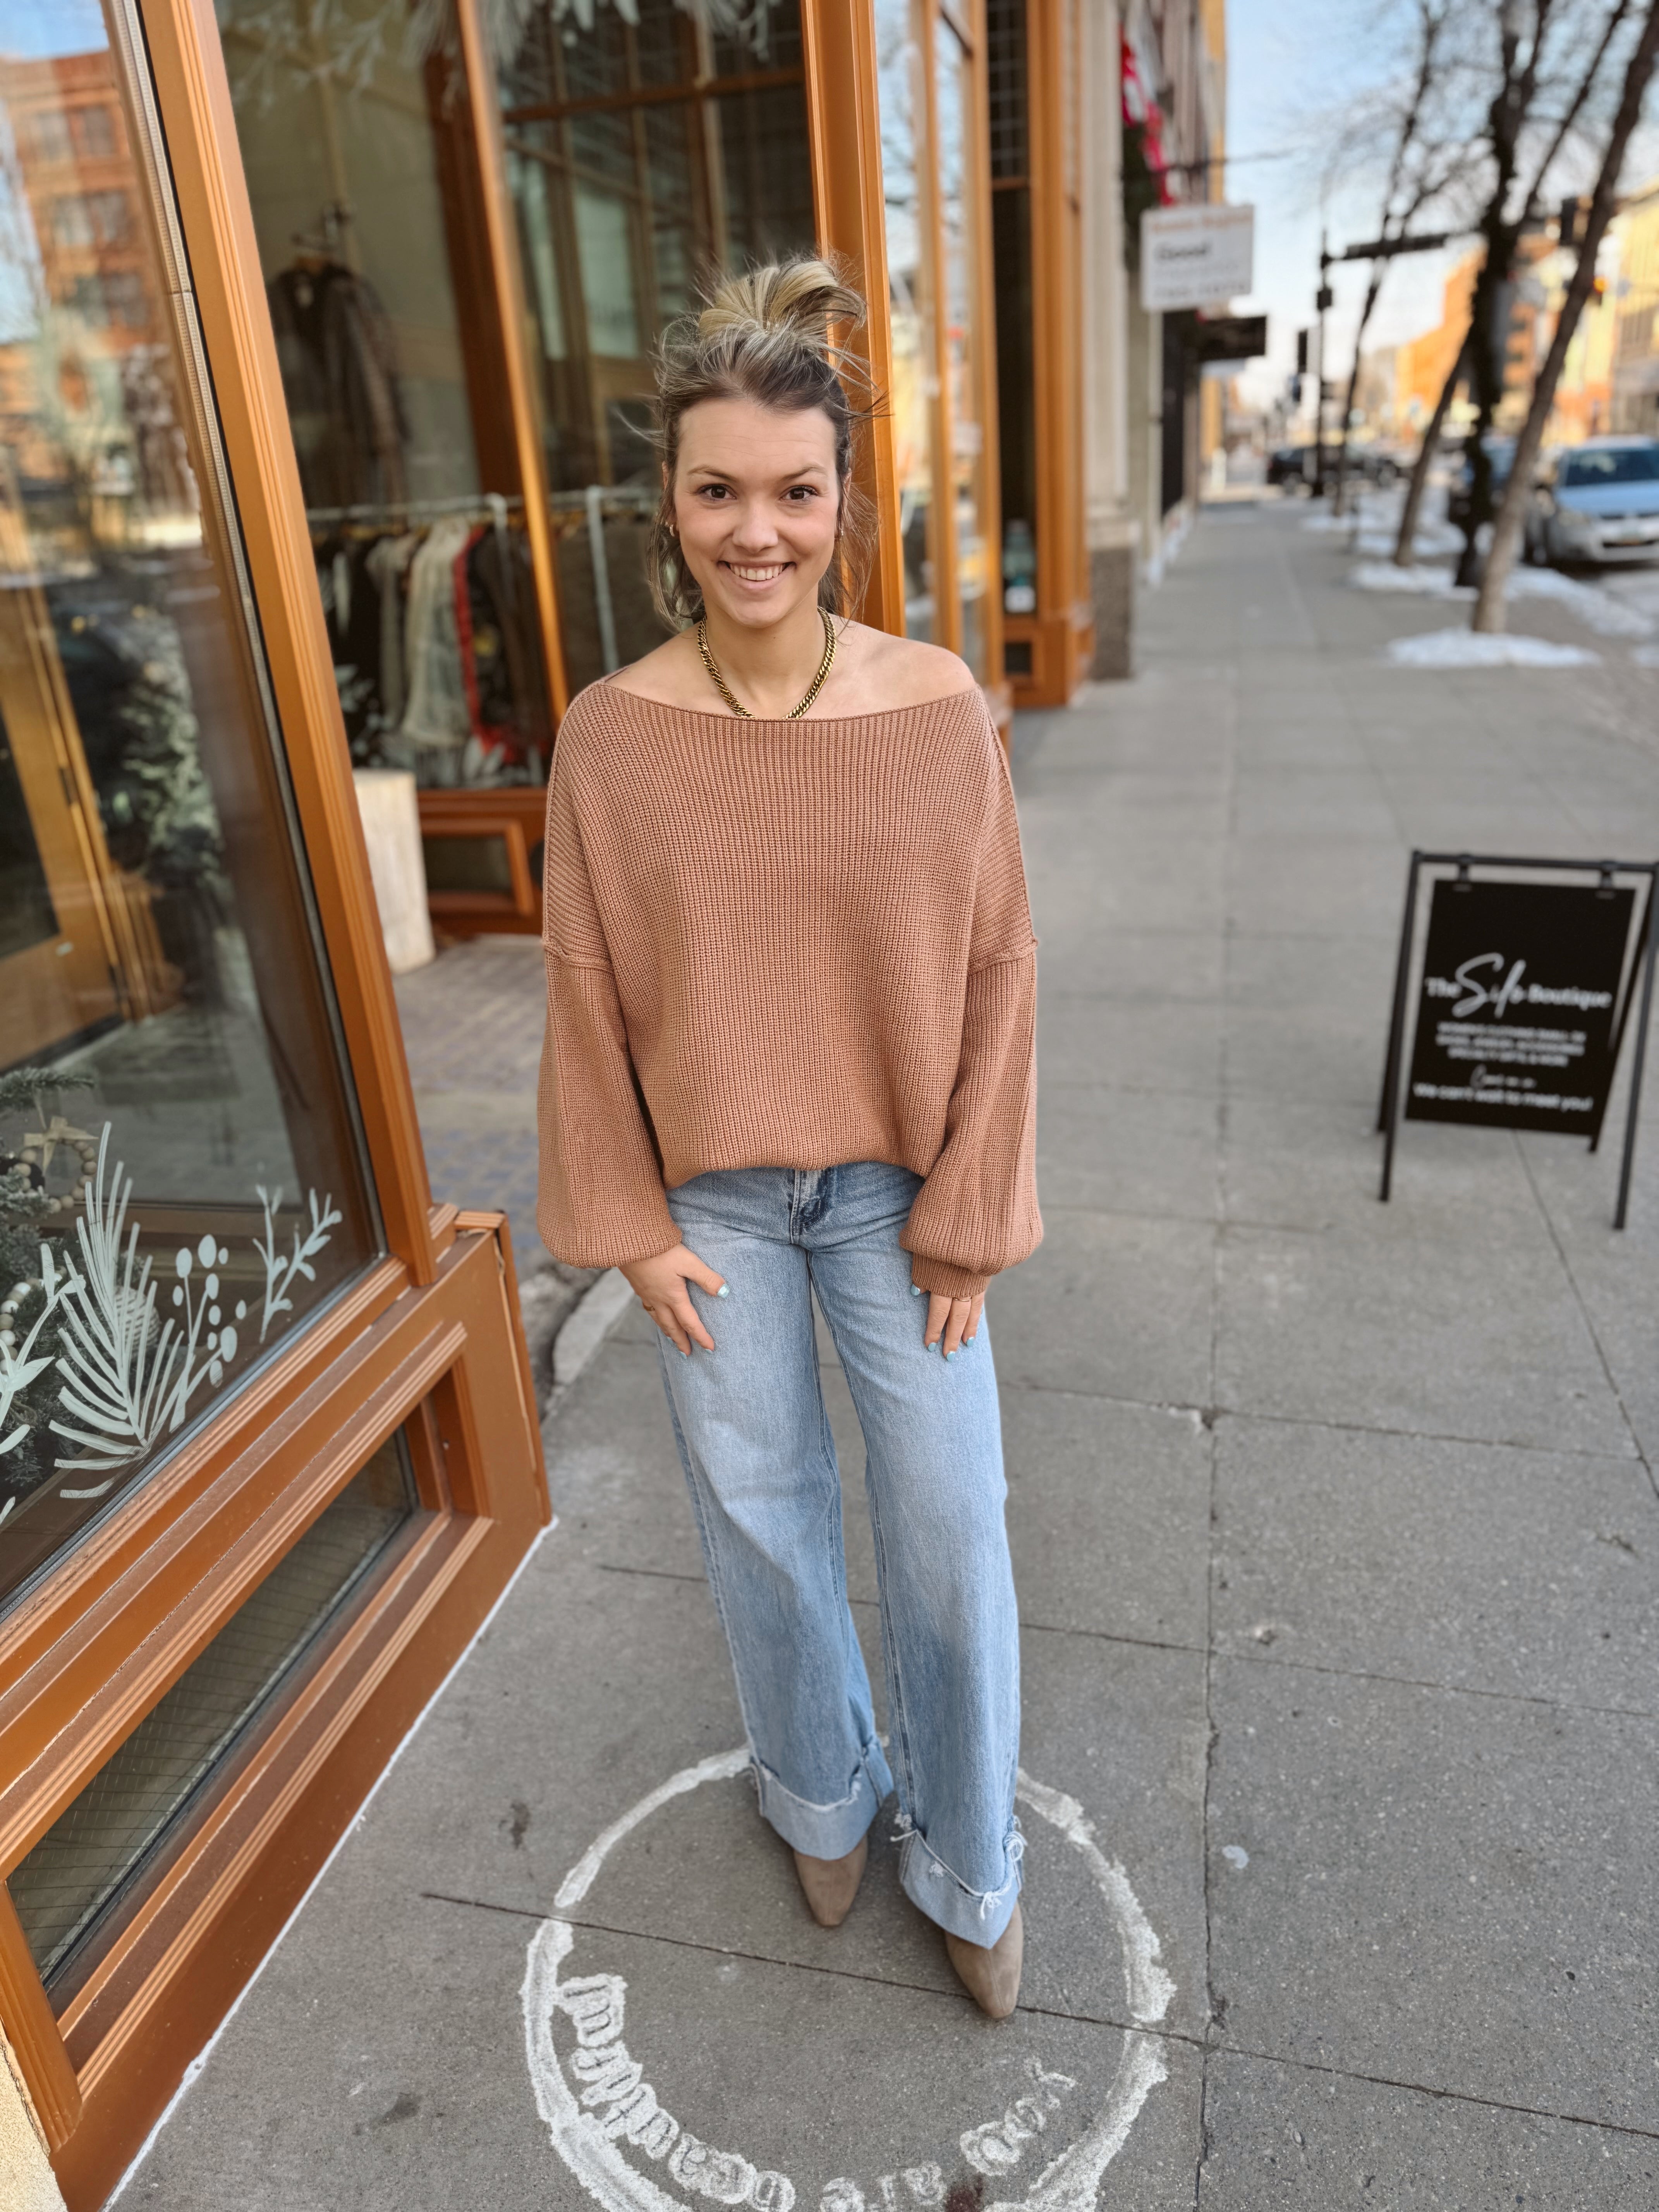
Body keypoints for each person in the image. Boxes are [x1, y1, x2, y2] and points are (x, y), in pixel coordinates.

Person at [537, 259, 1040, 2018]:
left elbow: (998, 965)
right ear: (670, 507)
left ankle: (970, 1858)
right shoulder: (611, 738)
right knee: (762, 1524)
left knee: (951, 1526)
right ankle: (819, 1791)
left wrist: (971, 1210)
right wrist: (629, 1221)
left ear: (845, 500)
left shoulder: (934, 707)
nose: (760, 531)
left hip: (904, 1196)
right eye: (720, 491)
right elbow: (584, 989)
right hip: (715, 1207)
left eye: (797, 491)